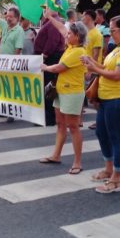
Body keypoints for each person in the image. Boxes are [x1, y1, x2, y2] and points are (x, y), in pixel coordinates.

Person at [82, 15, 120, 194]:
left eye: (112, 30)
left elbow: (116, 75)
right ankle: (108, 168)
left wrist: (94, 69)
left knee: (116, 137)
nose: (110, 34)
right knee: (101, 133)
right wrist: (92, 63)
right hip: (106, 98)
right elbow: (106, 69)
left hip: (118, 99)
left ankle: (116, 178)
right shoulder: (117, 49)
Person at [39, 12, 87, 175]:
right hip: (61, 91)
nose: (66, 35)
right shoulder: (71, 47)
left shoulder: (78, 52)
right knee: (60, 125)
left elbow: (59, 68)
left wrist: (45, 67)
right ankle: (56, 155)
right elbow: (60, 28)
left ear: (77, 36)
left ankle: (77, 162)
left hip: (72, 93)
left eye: (70, 34)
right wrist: (50, 18)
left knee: (73, 127)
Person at [34, 9, 66, 126]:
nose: (44, 10)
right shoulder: (49, 22)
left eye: (48, 7)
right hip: (48, 57)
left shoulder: (53, 23)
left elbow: (52, 41)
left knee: (48, 87)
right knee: (46, 87)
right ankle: (47, 116)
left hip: (50, 58)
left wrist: (44, 55)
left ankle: (49, 117)